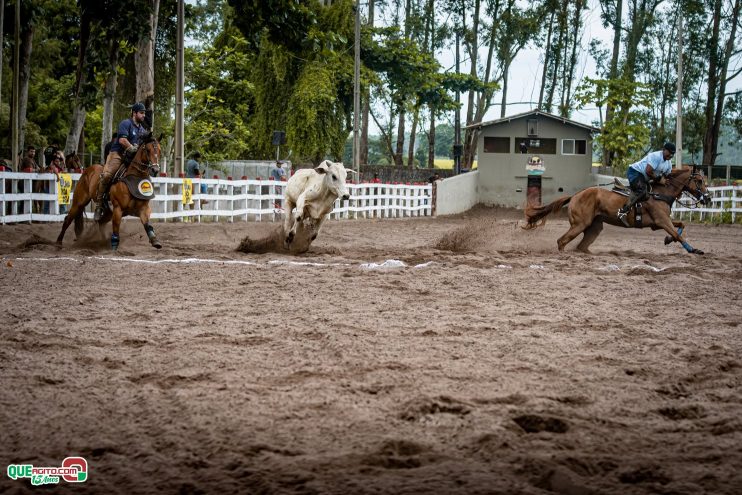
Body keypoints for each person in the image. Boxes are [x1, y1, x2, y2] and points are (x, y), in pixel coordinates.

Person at [94, 103, 147, 221]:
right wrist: (132, 148)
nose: (144, 115)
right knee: (107, 175)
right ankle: (99, 205)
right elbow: (122, 140)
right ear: (134, 113)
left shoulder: (142, 130)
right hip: (117, 154)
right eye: (142, 113)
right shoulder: (125, 123)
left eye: (144, 113)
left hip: (131, 158)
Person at [617, 142, 675, 227]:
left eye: (672, 154)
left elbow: (667, 176)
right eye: (669, 152)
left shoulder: (668, 163)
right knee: (642, 191)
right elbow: (648, 171)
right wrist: (659, 179)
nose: (670, 155)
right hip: (635, 172)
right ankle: (623, 212)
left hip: (645, 178)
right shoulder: (655, 156)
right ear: (664, 150)